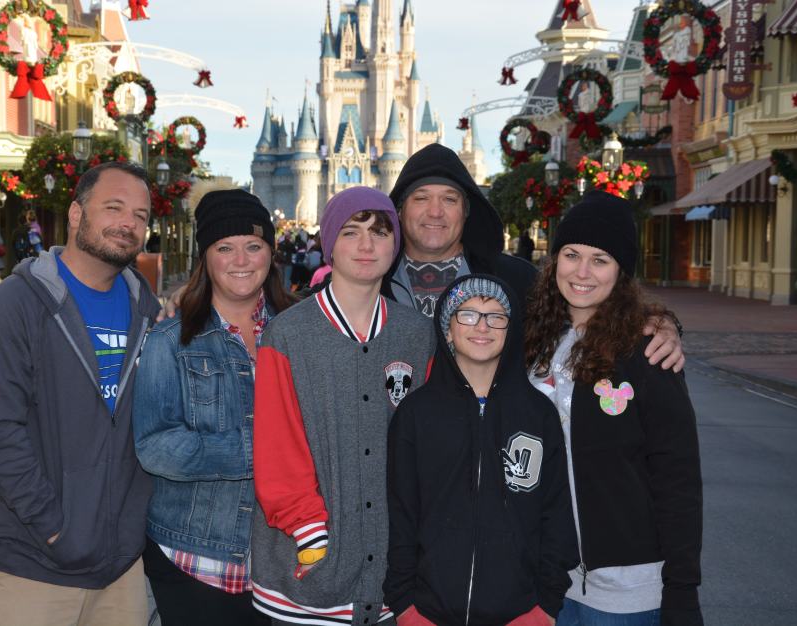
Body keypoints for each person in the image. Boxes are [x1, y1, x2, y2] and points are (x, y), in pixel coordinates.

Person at [0, 161, 160, 626]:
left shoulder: (147, 310)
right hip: (32, 565)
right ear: (76, 214)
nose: (128, 224)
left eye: (139, 215)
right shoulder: (16, 305)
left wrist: (131, 525)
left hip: (121, 568)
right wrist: (54, 528)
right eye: (113, 207)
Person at [251, 186, 436, 625]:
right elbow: (277, 449)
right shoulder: (288, 335)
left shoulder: (416, 333)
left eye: (380, 232)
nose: (367, 245)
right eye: (352, 232)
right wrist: (311, 536)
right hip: (308, 576)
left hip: (393, 578)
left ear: (397, 243)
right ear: (329, 243)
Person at [525, 191, 703, 626]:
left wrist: (682, 588)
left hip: (629, 591)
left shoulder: (647, 354)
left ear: (621, 271)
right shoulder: (534, 345)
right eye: (571, 254)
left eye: (600, 259)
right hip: (544, 582)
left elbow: (677, 475)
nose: (582, 272)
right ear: (555, 261)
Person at [132, 189, 293, 626]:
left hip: (282, 559)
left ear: (271, 253)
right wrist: (262, 454)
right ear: (206, 257)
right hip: (195, 556)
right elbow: (155, 446)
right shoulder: (171, 342)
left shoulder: (299, 334)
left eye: (254, 245)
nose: (241, 259)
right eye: (225, 247)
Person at [384, 143, 685, 371]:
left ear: (466, 211)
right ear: (400, 209)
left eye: (449, 199)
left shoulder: (514, 280)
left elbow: (588, 301)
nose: (435, 211)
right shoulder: (373, 284)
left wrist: (659, 323)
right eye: (421, 198)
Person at [385, 274, 579, 626]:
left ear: (511, 329)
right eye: (468, 314)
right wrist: (404, 604)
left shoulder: (537, 414)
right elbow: (400, 514)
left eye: (496, 316)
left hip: (520, 613)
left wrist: (545, 606)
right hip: (427, 612)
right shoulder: (416, 414)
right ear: (448, 330)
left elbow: (555, 515)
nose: (483, 326)